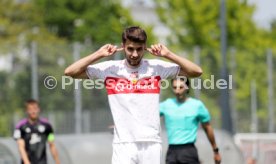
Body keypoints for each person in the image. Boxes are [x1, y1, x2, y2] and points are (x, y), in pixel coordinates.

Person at [64, 26, 202, 164]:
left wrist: (168, 54)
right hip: (123, 143)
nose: (134, 54)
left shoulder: (156, 68)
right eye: (130, 49)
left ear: (145, 47)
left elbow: (196, 71)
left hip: (151, 143)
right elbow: (70, 72)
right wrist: (98, 54)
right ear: (123, 46)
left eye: (139, 49)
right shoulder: (109, 69)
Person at [160, 78, 221, 164]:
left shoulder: (197, 105)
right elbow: (148, 114)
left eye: (180, 87)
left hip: (188, 151)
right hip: (171, 152)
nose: (177, 91)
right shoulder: (166, 105)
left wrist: (215, 150)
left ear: (187, 87)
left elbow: (207, 128)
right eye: (174, 87)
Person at [13, 99, 60, 164]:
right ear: (26, 111)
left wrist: (57, 162)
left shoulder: (47, 126)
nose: (33, 111)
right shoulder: (20, 126)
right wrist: (27, 162)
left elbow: (51, 144)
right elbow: (21, 147)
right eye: (30, 109)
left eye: (35, 108)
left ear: (39, 109)